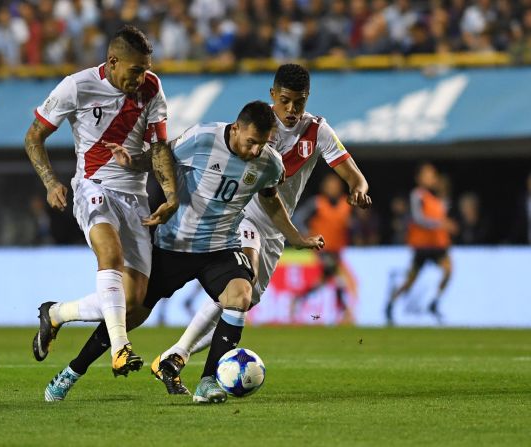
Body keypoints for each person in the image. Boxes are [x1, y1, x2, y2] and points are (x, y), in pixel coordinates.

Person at [41, 101, 326, 403]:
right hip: (173, 245)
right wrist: (133, 162)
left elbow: (271, 201)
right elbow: (162, 156)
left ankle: (207, 382)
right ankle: (71, 372)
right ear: (237, 128)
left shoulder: (270, 163)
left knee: (241, 294)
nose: (255, 151)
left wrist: (295, 236)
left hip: (221, 246)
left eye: (262, 144)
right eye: (251, 142)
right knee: (129, 312)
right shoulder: (203, 138)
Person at [151, 64, 372, 395]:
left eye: (299, 102)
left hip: (276, 228)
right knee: (242, 283)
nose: (292, 110)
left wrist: (359, 188)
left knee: (245, 302)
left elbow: (353, 173)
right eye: (286, 101)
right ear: (273, 95)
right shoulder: (258, 123)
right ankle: (192, 367)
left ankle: (174, 356)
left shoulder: (318, 130)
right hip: (243, 216)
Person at [24, 25, 178, 382]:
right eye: (136, 69)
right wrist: (50, 182)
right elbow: (34, 136)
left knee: (134, 303)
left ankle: (57, 313)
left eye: (146, 68)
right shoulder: (76, 86)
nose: (142, 77)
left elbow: (158, 151)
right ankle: (121, 349)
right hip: (93, 187)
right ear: (112, 62)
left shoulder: (153, 88)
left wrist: (170, 196)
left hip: (135, 199)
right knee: (109, 255)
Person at [385, 163, 456, 325]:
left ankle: (434, 302)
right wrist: (441, 224)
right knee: (410, 282)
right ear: (419, 178)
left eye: (432, 175)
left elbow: (444, 215)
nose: (430, 178)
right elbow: (418, 218)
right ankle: (390, 303)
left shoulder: (439, 198)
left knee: (449, 270)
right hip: (423, 246)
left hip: (438, 245)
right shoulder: (418, 195)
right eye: (426, 175)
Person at [289, 174, 357, 324]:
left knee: (324, 280)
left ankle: (298, 299)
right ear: (324, 187)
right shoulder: (317, 203)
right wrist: (306, 236)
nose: (332, 188)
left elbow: (354, 224)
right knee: (338, 278)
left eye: (335, 185)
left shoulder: (346, 204)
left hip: (338, 249)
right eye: (329, 185)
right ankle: (345, 312)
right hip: (322, 249)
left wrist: (352, 227)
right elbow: (298, 219)